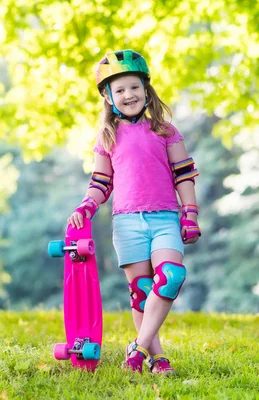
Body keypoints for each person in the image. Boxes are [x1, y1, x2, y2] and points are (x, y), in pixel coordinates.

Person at [67, 49, 201, 375]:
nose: (129, 94)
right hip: (127, 222)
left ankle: (138, 348)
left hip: (165, 217)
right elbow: (101, 181)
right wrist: (87, 205)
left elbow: (183, 174)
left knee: (171, 276)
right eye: (120, 90)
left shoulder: (165, 130)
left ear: (146, 90)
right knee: (141, 291)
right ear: (109, 97)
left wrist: (191, 213)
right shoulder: (107, 136)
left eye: (134, 87)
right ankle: (157, 358)